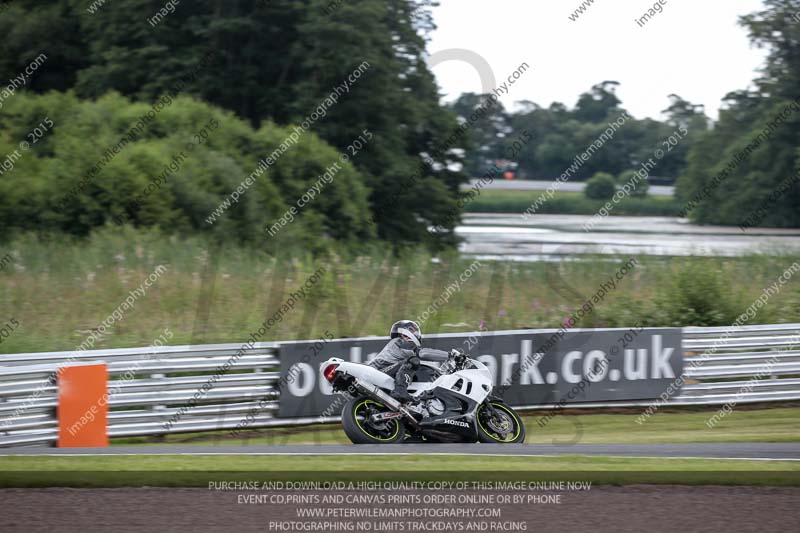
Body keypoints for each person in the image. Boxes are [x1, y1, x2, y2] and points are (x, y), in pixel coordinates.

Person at [373, 320, 452, 402]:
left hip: (380, 371)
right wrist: (449, 355)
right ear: (402, 333)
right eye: (411, 330)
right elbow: (423, 353)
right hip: (379, 370)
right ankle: (400, 390)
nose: (415, 333)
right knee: (413, 361)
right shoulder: (400, 342)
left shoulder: (396, 344)